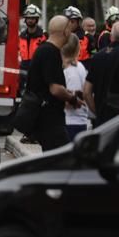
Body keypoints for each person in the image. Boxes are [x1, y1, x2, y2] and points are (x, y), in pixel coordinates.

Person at [27, 15, 84, 151]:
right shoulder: (51, 53)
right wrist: (73, 99)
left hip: (44, 117)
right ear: (65, 32)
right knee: (61, 160)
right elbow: (55, 89)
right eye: (69, 30)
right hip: (50, 119)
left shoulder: (43, 50)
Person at [61, 34, 90, 141]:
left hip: (72, 124)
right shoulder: (78, 67)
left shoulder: (72, 71)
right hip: (75, 123)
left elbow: (73, 101)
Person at [17, 4, 46, 70]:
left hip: (38, 69)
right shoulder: (21, 36)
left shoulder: (43, 36)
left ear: (37, 19)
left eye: (32, 18)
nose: (30, 20)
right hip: (23, 70)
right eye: (28, 18)